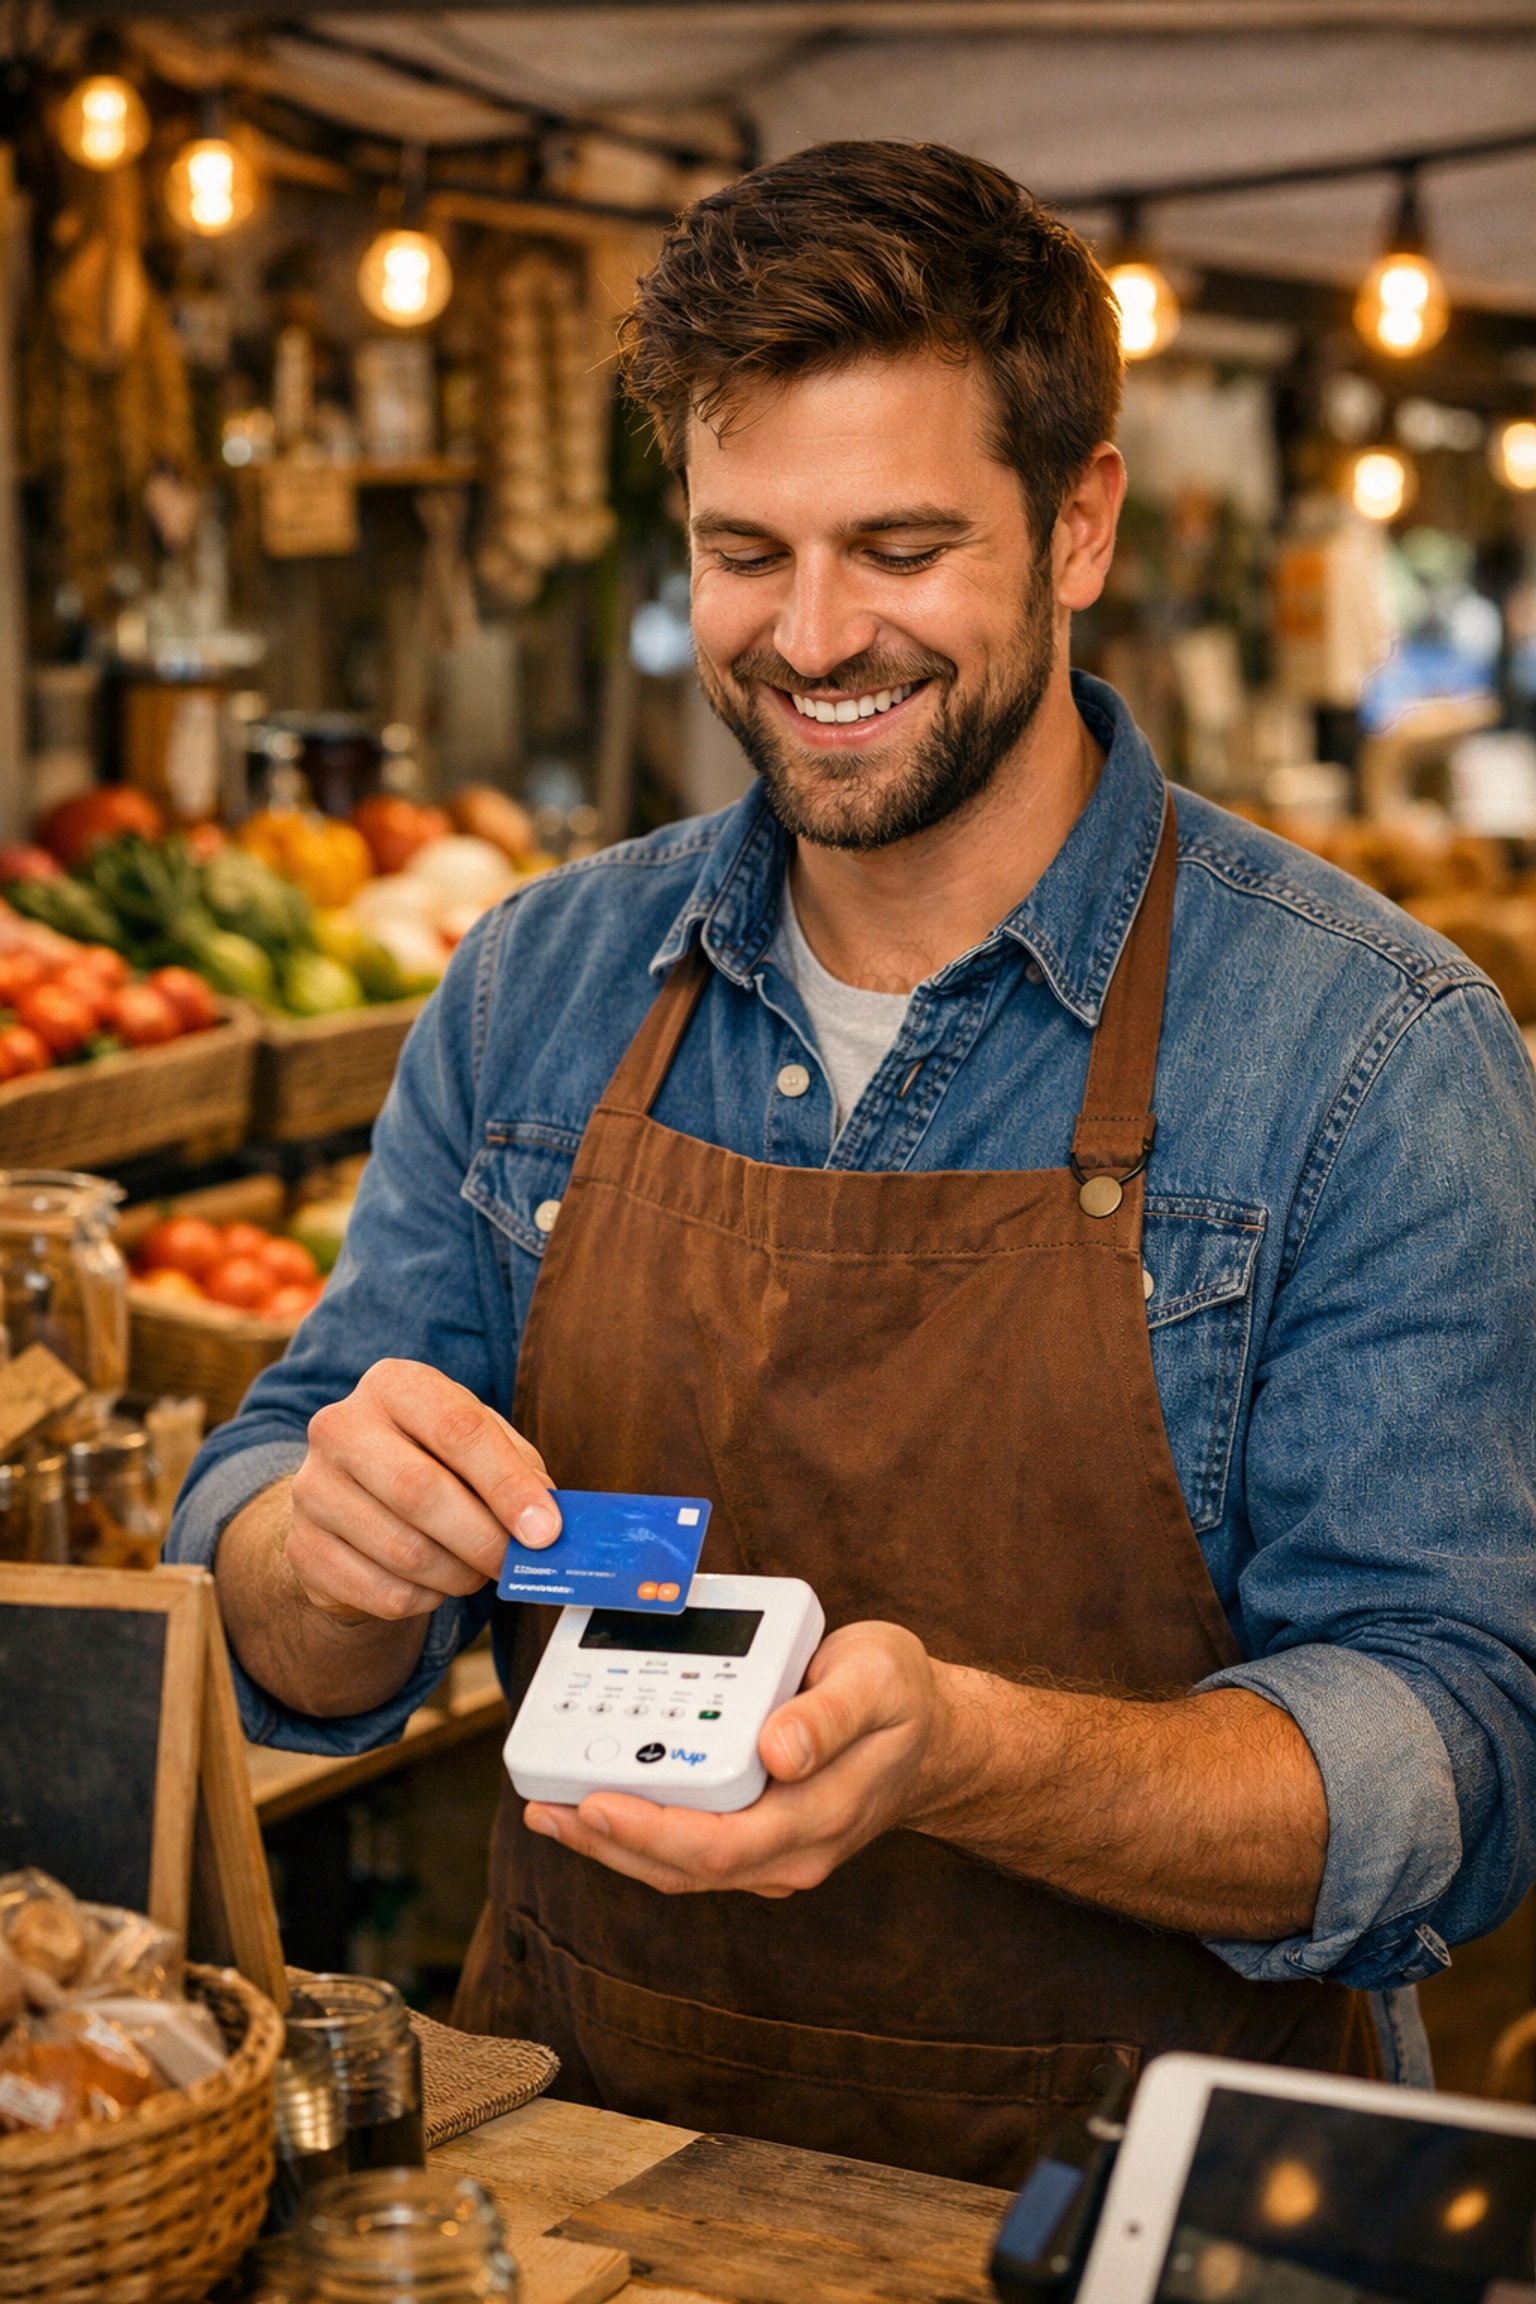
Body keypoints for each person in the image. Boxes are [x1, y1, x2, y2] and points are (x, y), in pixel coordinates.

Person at [169, 142, 1536, 2188]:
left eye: (898, 548)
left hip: (1139, 2193)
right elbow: (273, 1579)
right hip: (587, 2172)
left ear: (1078, 527)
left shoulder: (1368, 1052)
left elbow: (1458, 1751)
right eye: (747, 551)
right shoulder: (538, 986)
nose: (811, 639)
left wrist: (971, 1756)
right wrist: (326, 1555)